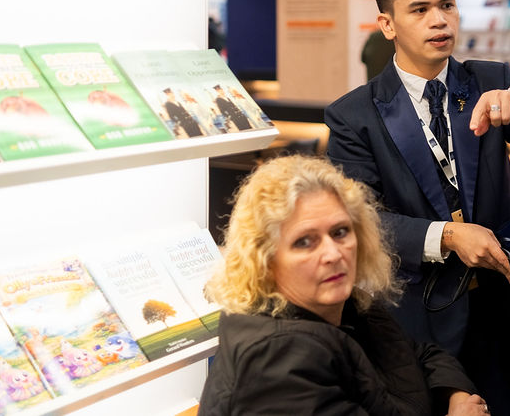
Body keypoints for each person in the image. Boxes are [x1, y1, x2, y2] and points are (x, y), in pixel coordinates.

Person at [325, 0, 510, 416]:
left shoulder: (489, 79)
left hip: (505, 297)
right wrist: (448, 236)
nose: (439, 21)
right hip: (423, 311)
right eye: (420, 10)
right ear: (388, 24)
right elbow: (360, 220)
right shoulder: (353, 116)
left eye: (447, 4)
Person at [197, 155, 488, 416]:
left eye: (340, 232)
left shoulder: (347, 304)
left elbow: (420, 356)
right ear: (266, 260)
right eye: (304, 242)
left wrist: (457, 396)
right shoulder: (276, 357)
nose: (333, 254)